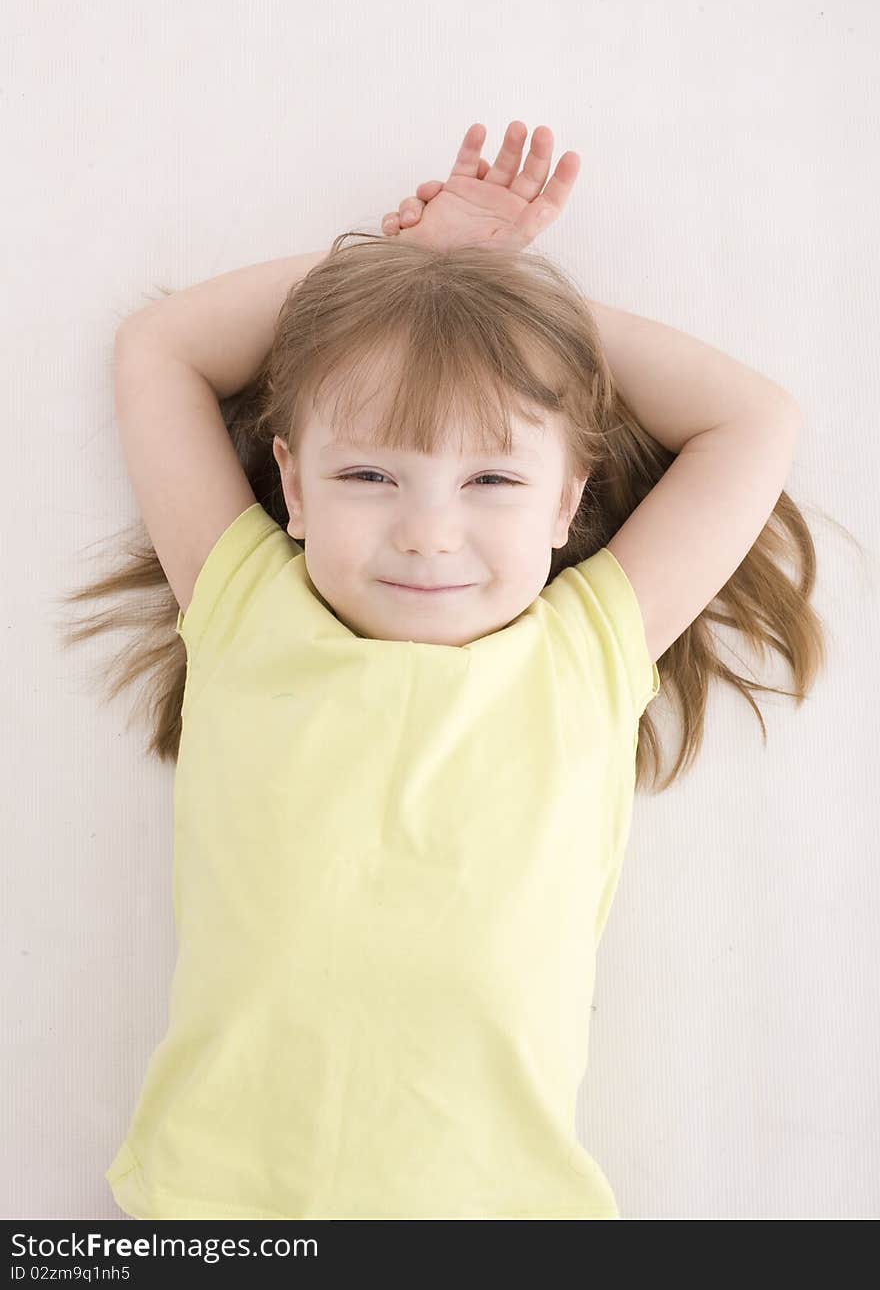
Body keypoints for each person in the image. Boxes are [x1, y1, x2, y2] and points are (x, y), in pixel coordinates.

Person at [59, 121, 827, 1220]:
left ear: (567, 501)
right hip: (212, 1209)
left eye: (490, 481)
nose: (428, 534)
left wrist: (490, 304)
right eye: (370, 473)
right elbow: (158, 350)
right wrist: (406, 278)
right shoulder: (244, 612)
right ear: (294, 483)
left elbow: (755, 419)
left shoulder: (589, 649)